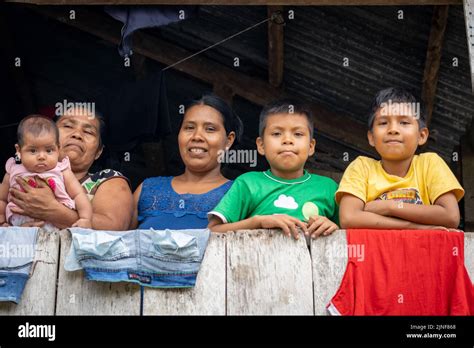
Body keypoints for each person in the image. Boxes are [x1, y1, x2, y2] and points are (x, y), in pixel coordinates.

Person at [208, 100, 339, 239]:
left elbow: (352, 232)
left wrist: (334, 227)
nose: (287, 140)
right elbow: (212, 231)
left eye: (298, 134)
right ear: (261, 145)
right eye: (277, 134)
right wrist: (258, 222)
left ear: (311, 146)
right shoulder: (248, 183)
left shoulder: (328, 188)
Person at [336, 87, 464, 230]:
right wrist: (413, 227)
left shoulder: (430, 164)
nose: (393, 130)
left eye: (404, 122)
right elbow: (349, 218)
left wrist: (390, 207)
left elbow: (451, 216)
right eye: (383, 123)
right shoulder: (361, 167)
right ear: (371, 137)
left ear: (421, 136)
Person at [6, 107, 133, 230]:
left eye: (88, 132)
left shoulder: (108, 179)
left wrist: (54, 211)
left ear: (98, 152)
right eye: (67, 126)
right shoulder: (15, 173)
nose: (77, 134)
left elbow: (114, 227)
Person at [131, 94, 243, 230]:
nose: (197, 136)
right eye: (189, 128)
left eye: (210, 129)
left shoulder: (240, 193)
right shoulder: (147, 189)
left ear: (229, 140)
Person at [0, 115, 92, 230]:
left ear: (58, 149)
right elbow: (2, 199)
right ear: (19, 150)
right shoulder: (12, 171)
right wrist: (2, 222)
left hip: (55, 227)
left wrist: (85, 219)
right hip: (19, 228)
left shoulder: (62, 170)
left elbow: (78, 195)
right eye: (33, 151)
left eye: (49, 150)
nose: (42, 157)